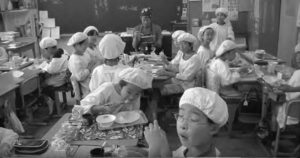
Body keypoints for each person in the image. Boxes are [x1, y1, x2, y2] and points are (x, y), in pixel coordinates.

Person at [144, 87, 228, 157]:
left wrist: (154, 147)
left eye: (193, 119)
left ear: (213, 128)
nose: (183, 125)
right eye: (181, 116)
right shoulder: (190, 148)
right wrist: (163, 145)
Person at [80, 67, 153, 115]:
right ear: (121, 85)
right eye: (129, 92)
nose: (132, 97)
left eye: (137, 94)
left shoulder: (135, 94)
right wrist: (101, 108)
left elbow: (134, 112)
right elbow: (82, 107)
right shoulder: (107, 89)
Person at [68, 32, 93, 97]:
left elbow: (90, 63)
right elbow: (80, 77)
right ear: (76, 45)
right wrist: (89, 68)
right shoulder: (75, 59)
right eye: (85, 44)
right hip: (85, 85)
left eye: (87, 44)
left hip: (89, 78)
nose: (86, 46)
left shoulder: (84, 54)